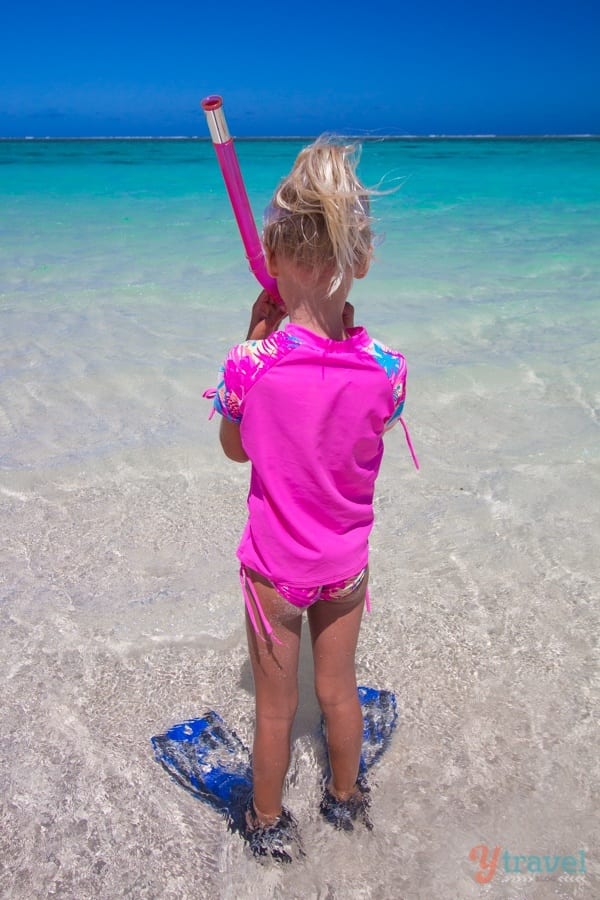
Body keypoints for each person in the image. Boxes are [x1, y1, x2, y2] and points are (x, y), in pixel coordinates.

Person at [209, 137, 415, 861]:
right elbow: (364, 430)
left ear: (272, 257)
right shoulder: (388, 369)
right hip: (346, 564)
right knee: (336, 691)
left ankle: (266, 826)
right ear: (359, 259)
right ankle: (345, 800)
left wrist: (257, 337)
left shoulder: (250, 364)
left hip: (273, 572)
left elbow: (239, 449)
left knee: (274, 709)